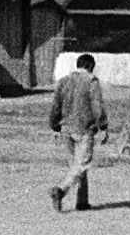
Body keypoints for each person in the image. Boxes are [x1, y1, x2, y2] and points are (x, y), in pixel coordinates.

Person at [48, 53, 111, 212]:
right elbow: (97, 107)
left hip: (66, 129)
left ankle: (82, 202)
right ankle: (60, 190)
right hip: (83, 129)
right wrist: (103, 127)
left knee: (75, 166)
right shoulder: (91, 82)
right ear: (90, 67)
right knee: (81, 165)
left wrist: (55, 127)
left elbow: (56, 106)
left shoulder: (64, 81)